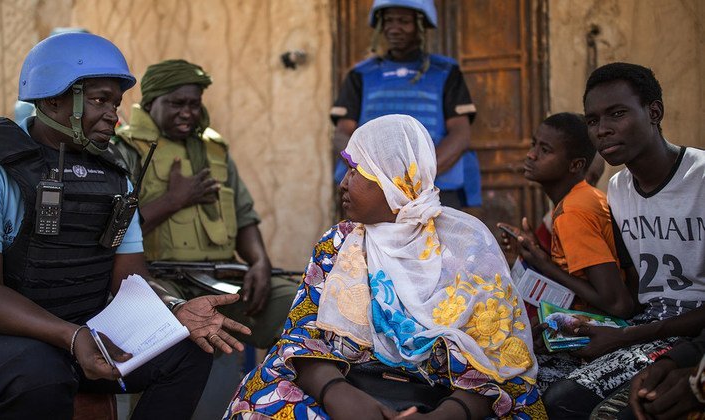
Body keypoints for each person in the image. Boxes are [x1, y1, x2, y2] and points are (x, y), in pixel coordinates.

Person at [0, 33, 249, 419]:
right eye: (99, 100)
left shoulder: (115, 174)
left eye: (116, 103)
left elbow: (128, 283)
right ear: (52, 99)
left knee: (186, 350)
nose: (113, 115)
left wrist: (174, 308)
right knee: (39, 372)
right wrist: (73, 337)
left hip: (82, 333)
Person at [224, 115, 545, 419]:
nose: (343, 184)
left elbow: (500, 360)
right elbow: (302, 335)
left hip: (447, 401)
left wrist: (445, 415)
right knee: (259, 405)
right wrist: (338, 395)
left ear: (393, 180)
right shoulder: (339, 242)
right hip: (348, 386)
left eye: (355, 171)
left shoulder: (468, 245)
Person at [542, 62, 705, 418]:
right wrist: (586, 326)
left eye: (616, 114)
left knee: (570, 403)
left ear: (654, 112)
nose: (602, 130)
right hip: (645, 327)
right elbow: (632, 294)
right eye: (593, 120)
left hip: (690, 336)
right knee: (533, 380)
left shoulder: (700, 179)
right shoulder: (618, 189)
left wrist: (625, 337)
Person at [112, 59, 295, 350]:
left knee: (300, 308)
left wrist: (260, 262)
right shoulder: (127, 149)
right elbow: (114, 231)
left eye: (194, 104)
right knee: (172, 332)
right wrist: (174, 201)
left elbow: (243, 215)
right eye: (176, 104)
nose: (187, 113)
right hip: (160, 279)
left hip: (220, 276)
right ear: (150, 103)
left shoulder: (214, 149)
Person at [329, 0, 481, 209]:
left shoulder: (446, 72)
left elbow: (460, 135)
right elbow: (341, 135)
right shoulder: (360, 75)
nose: (394, 28)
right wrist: (375, 175)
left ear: (420, 26)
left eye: (403, 21)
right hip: (372, 191)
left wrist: (417, 178)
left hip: (434, 189)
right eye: (389, 21)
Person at [499, 113, 633, 317]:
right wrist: (536, 251)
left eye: (545, 150)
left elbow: (619, 305)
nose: (531, 155)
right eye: (534, 144)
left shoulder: (574, 211)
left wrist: (544, 264)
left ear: (576, 165)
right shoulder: (573, 201)